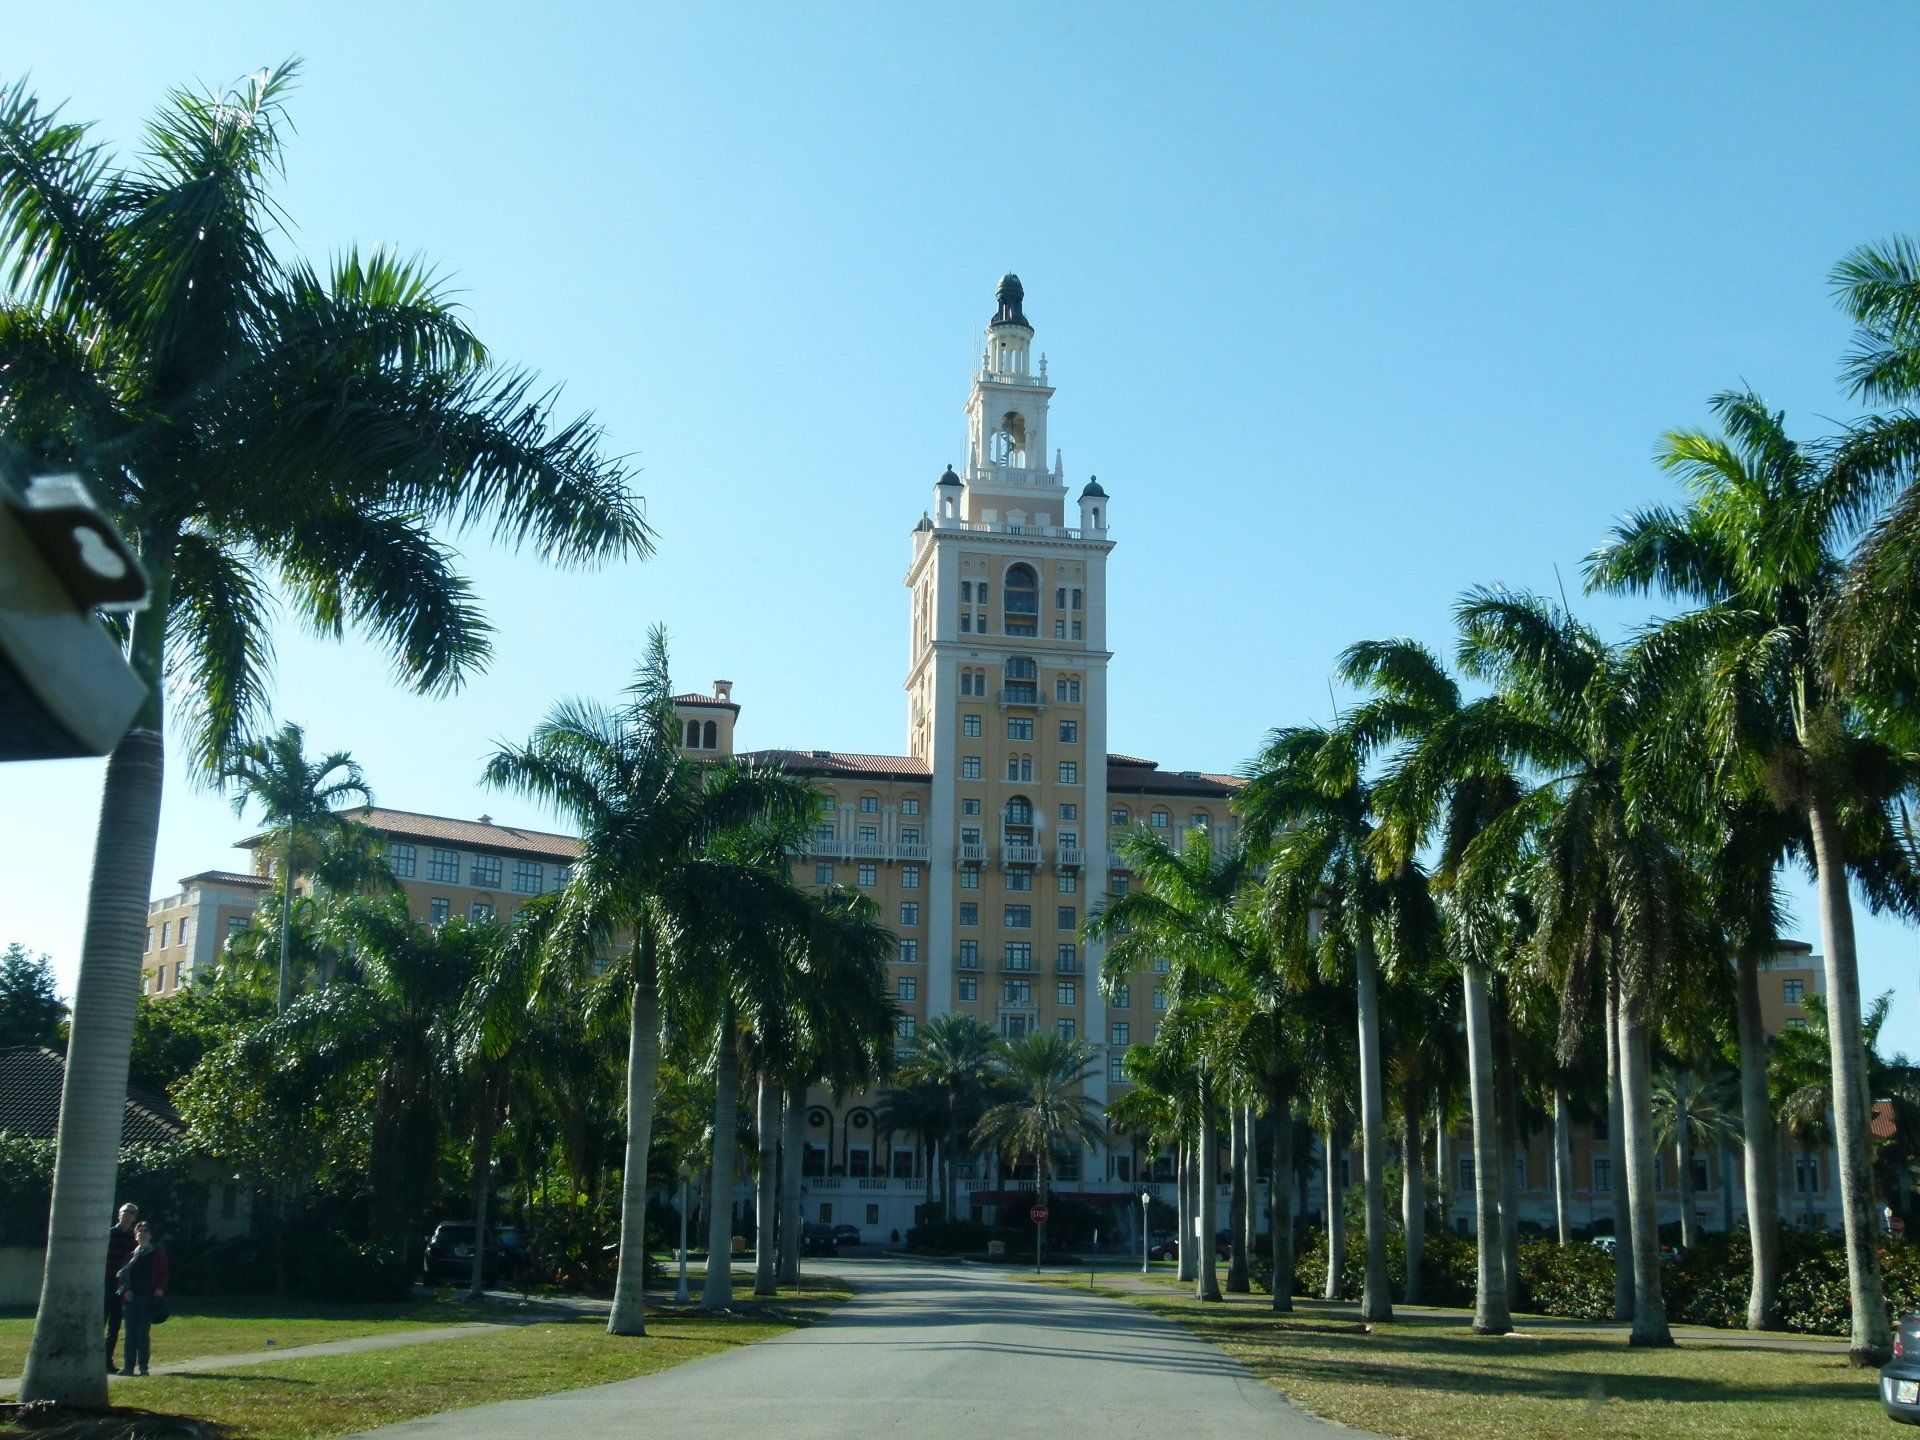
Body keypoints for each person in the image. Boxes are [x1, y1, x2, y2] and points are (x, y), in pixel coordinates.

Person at [114, 1220, 169, 1377]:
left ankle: (143, 1366)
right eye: (139, 1231)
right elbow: (122, 1276)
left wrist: (160, 1288)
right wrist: (126, 1291)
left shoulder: (157, 1253)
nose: (142, 1234)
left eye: (145, 1231)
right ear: (135, 1236)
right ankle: (128, 1367)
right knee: (130, 1333)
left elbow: (163, 1273)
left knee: (142, 1332)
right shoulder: (130, 1256)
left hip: (148, 1297)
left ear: (150, 1235)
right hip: (131, 1299)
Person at [104, 1203, 139, 1371]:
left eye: (132, 1213)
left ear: (134, 1218)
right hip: (106, 1281)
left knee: (115, 1324)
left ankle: (106, 1360)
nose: (128, 1215)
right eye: (126, 1211)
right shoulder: (108, 1233)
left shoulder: (134, 1239)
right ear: (119, 1214)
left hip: (122, 1284)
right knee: (100, 1322)